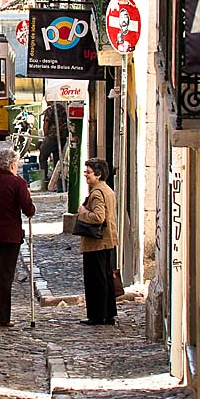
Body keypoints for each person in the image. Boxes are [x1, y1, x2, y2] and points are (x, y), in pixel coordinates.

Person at [0, 148, 36, 327]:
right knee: (5, 275)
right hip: (10, 236)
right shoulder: (18, 183)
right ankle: (2, 317)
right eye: (16, 164)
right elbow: (28, 210)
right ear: (12, 164)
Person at [76, 158, 119, 326]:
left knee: (96, 279)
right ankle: (108, 314)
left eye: (88, 172)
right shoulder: (107, 190)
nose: (85, 175)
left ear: (98, 174)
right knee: (105, 278)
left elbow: (98, 217)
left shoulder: (97, 193)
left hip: (96, 242)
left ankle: (97, 315)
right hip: (107, 240)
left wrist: (82, 212)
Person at [38, 102, 68, 186]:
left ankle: (44, 178)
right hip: (62, 137)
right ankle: (56, 180)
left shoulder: (50, 110)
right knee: (57, 158)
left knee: (43, 156)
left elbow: (46, 124)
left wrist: (45, 135)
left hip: (52, 137)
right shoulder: (62, 108)